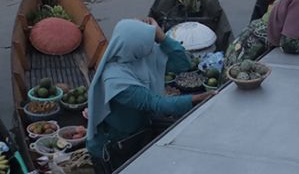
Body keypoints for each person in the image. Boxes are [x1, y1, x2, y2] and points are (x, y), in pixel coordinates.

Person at [87, 18, 215, 172]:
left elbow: (183, 64)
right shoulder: (114, 79)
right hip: (116, 145)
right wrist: (197, 99)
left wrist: (162, 38)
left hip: (138, 131)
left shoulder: (140, 57)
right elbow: (155, 103)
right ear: (136, 44)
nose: (152, 45)